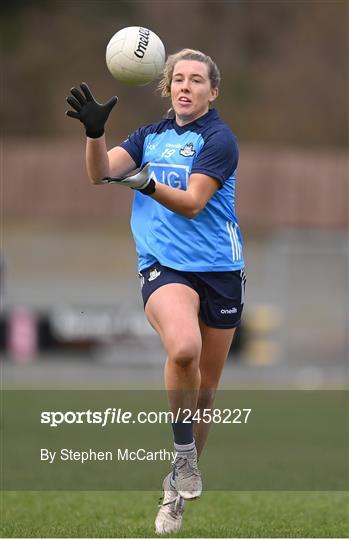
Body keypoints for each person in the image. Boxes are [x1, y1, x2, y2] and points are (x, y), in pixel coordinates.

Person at [66, 48, 245, 535]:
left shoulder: (219, 139)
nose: (186, 87)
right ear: (167, 87)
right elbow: (98, 172)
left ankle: (176, 488)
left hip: (222, 272)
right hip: (165, 269)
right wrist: (94, 133)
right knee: (182, 347)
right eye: (179, 79)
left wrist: (144, 183)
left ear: (213, 91)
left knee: (204, 393)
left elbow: (191, 203)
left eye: (196, 80)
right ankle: (184, 454)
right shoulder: (150, 136)